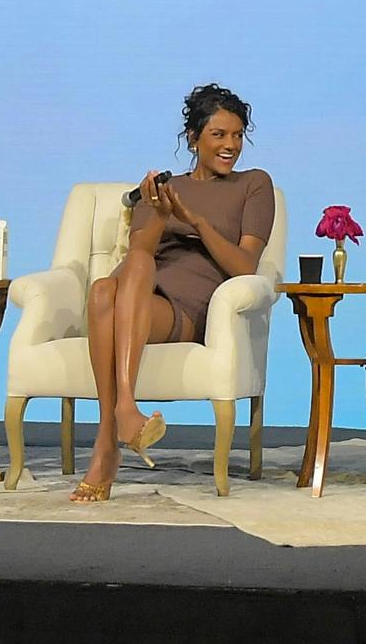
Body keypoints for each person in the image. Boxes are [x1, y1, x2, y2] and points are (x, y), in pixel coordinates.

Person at [73, 83, 277, 500]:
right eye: (219, 135)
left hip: (190, 308)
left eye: (237, 135)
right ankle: (123, 416)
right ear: (193, 138)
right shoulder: (162, 190)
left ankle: (109, 436)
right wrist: (160, 214)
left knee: (108, 291)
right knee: (104, 289)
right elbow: (139, 258)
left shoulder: (254, 185)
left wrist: (196, 222)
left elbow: (244, 265)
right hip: (143, 297)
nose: (230, 145)